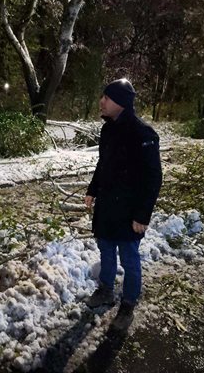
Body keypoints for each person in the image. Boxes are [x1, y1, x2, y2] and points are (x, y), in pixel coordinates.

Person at [85, 79, 162, 331]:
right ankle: (106, 289)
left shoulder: (144, 134)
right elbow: (103, 164)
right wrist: (92, 190)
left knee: (129, 258)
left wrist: (143, 215)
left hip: (130, 211)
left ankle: (128, 304)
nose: (101, 101)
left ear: (120, 102)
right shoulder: (107, 130)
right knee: (106, 250)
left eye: (106, 97)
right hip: (107, 207)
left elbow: (153, 178)